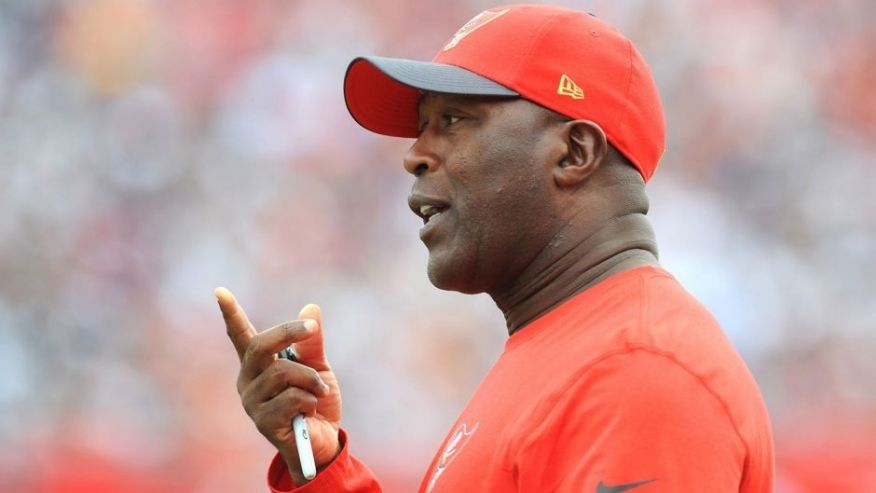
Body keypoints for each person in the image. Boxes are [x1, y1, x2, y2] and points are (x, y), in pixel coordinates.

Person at [215, 4, 774, 492]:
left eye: (454, 120)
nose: (414, 154)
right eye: (423, 124)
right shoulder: (571, 349)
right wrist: (319, 466)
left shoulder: (638, 371)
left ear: (574, 153)